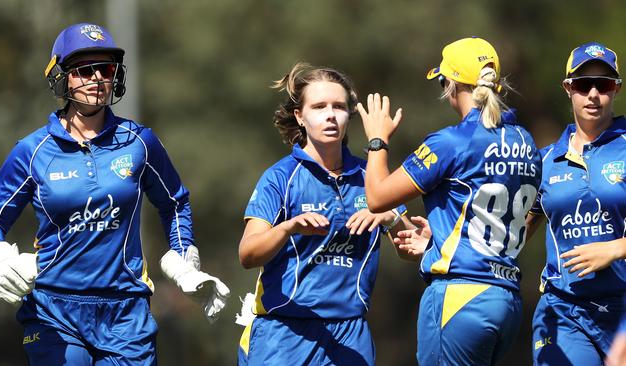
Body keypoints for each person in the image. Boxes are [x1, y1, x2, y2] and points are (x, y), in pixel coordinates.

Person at [0, 23, 230, 365]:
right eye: (84, 69)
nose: (97, 77)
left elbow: (174, 202)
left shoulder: (140, 142)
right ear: (63, 77)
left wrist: (186, 263)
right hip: (54, 310)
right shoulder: (33, 151)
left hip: (126, 313)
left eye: (106, 69)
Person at [357, 37, 542, 365]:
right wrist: (440, 242)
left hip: (459, 298)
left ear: (451, 84)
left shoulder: (451, 142)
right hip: (506, 301)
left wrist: (377, 139)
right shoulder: (525, 140)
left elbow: (376, 197)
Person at [236, 62, 419, 365]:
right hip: (284, 333)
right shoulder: (281, 178)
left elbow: (413, 250)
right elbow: (247, 254)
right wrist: (287, 228)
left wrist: (391, 218)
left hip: (351, 332)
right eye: (319, 107)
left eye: (339, 106)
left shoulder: (369, 177)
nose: (331, 115)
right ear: (300, 116)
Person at [526, 41, 626, 365]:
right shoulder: (545, 162)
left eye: (604, 84)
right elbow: (511, 235)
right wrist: (439, 242)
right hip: (563, 311)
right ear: (568, 88)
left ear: (617, 89)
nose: (594, 94)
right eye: (584, 85)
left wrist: (616, 248)